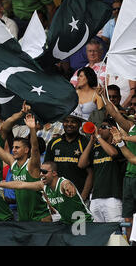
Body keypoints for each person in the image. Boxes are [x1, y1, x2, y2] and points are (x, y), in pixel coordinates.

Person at [0, 114, 51, 222]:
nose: (13, 150)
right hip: (23, 218)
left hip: (40, 217)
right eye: (13, 147)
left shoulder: (32, 165)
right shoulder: (13, 163)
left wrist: (32, 129)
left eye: (17, 147)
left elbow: (35, 149)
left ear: (26, 150)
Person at [0, 161, 93, 224]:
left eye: (45, 172)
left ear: (54, 173)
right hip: (66, 223)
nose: (41, 174)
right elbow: (20, 184)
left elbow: (66, 184)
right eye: (41, 171)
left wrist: (68, 186)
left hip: (83, 222)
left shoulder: (62, 183)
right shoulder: (43, 185)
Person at [98, 86, 136, 242]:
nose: (132, 108)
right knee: (127, 215)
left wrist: (124, 139)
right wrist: (103, 96)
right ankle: (128, 243)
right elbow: (113, 113)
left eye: (135, 105)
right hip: (129, 176)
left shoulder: (130, 132)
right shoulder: (132, 127)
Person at [78, 119, 125, 222]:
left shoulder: (120, 145)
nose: (99, 130)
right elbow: (81, 164)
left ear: (113, 130)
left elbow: (113, 153)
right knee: (98, 233)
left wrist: (98, 137)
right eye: (99, 127)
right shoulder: (96, 148)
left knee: (115, 232)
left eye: (103, 127)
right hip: (95, 197)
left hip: (113, 197)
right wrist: (91, 142)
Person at [44, 114, 93, 202]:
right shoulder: (54, 143)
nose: (69, 124)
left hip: (78, 196)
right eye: (66, 121)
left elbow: (91, 173)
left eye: (73, 122)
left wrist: (83, 197)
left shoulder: (86, 143)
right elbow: (47, 171)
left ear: (80, 124)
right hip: (57, 197)